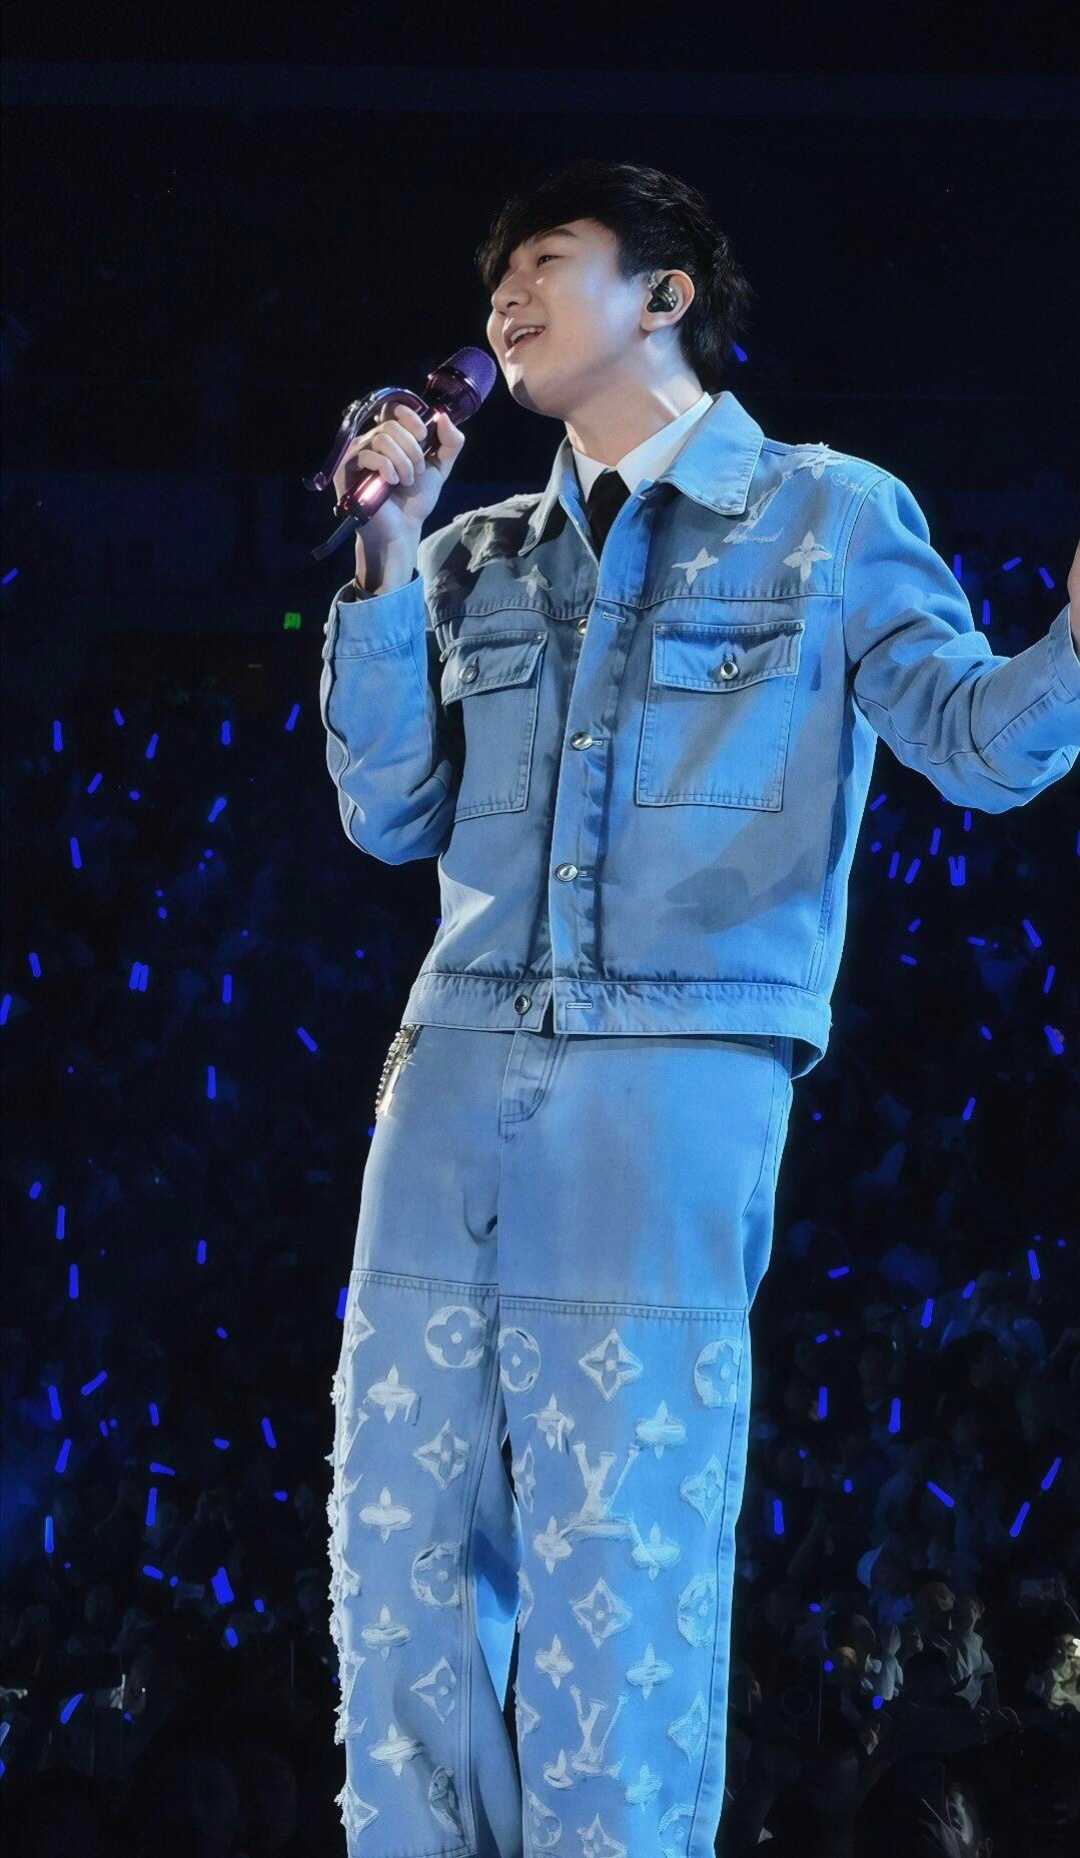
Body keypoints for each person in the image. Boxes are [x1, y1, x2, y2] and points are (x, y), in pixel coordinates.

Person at [317, 157, 1080, 1856]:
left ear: (665, 294)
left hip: (668, 1078)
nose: (507, 294)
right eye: (498, 271)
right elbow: (384, 810)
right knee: (400, 1549)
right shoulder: (474, 554)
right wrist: (384, 551)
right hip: (448, 1074)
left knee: (618, 1549)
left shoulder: (829, 516)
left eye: (550, 258)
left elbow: (977, 739)